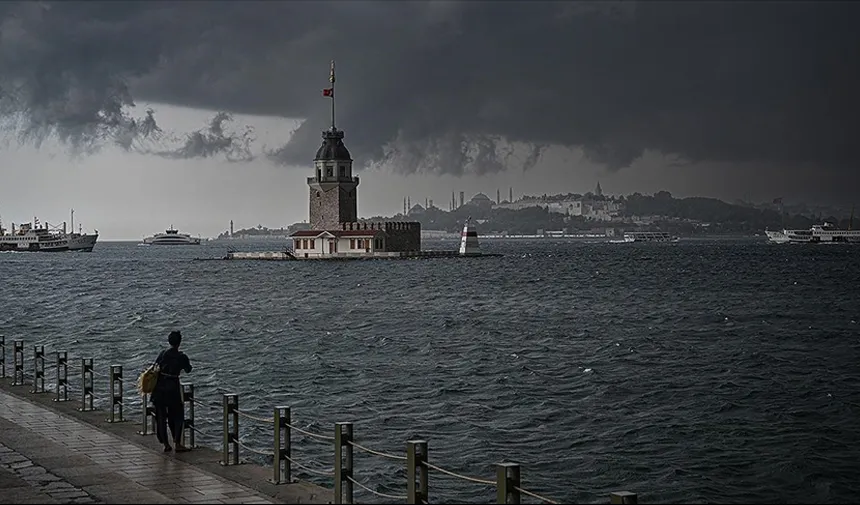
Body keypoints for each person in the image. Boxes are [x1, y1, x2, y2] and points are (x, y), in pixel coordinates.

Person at [150, 330, 193, 452]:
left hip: (160, 387)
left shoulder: (163, 354)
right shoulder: (182, 357)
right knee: (177, 416)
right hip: (173, 388)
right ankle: (177, 442)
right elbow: (188, 369)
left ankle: (165, 444)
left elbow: (155, 366)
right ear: (179, 342)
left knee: (161, 417)